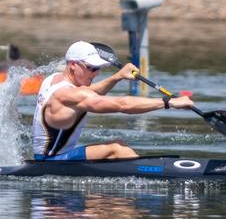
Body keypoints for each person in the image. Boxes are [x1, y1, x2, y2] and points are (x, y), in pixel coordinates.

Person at [32, 41, 194, 160]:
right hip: (51, 162)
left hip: (50, 157)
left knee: (117, 144)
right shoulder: (67, 95)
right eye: (92, 68)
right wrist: (168, 102)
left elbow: (88, 92)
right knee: (117, 149)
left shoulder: (53, 79)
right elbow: (121, 105)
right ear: (73, 65)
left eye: (98, 69)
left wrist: (117, 77)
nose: (96, 74)